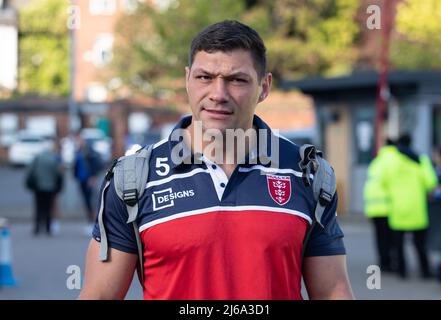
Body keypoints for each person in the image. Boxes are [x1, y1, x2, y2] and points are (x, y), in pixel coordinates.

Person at [79, 20, 354, 300]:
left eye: (237, 80)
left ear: (264, 86)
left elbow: (333, 292)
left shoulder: (306, 174)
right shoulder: (134, 179)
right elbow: (99, 295)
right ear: (187, 79)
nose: (218, 94)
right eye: (204, 77)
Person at [379, 134, 438, 279]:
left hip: (398, 208)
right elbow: (431, 182)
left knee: (399, 245)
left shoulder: (391, 161)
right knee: (420, 244)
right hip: (417, 208)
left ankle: (402, 271)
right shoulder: (421, 159)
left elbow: (383, 181)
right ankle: (425, 272)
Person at [364, 139, 397, 272]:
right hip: (387, 206)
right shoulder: (395, 160)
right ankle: (390, 263)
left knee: (380, 238)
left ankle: (383, 262)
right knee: (391, 238)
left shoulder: (377, 161)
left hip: (373, 207)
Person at [25, 141, 63, 236]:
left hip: (38, 187)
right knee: (48, 207)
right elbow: (57, 174)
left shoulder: (37, 158)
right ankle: (48, 228)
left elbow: (31, 171)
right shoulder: (53, 159)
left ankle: (37, 228)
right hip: (50, 187)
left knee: (38, 207)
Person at [73, 132, 102, 232]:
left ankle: (94, 224)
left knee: (91, 202)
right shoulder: (78, 151)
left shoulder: (89, 151)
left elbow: (96, 164)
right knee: (86, 202)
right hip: (81, 179)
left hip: (89, 179)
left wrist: (93, 177)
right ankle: (90, 222)